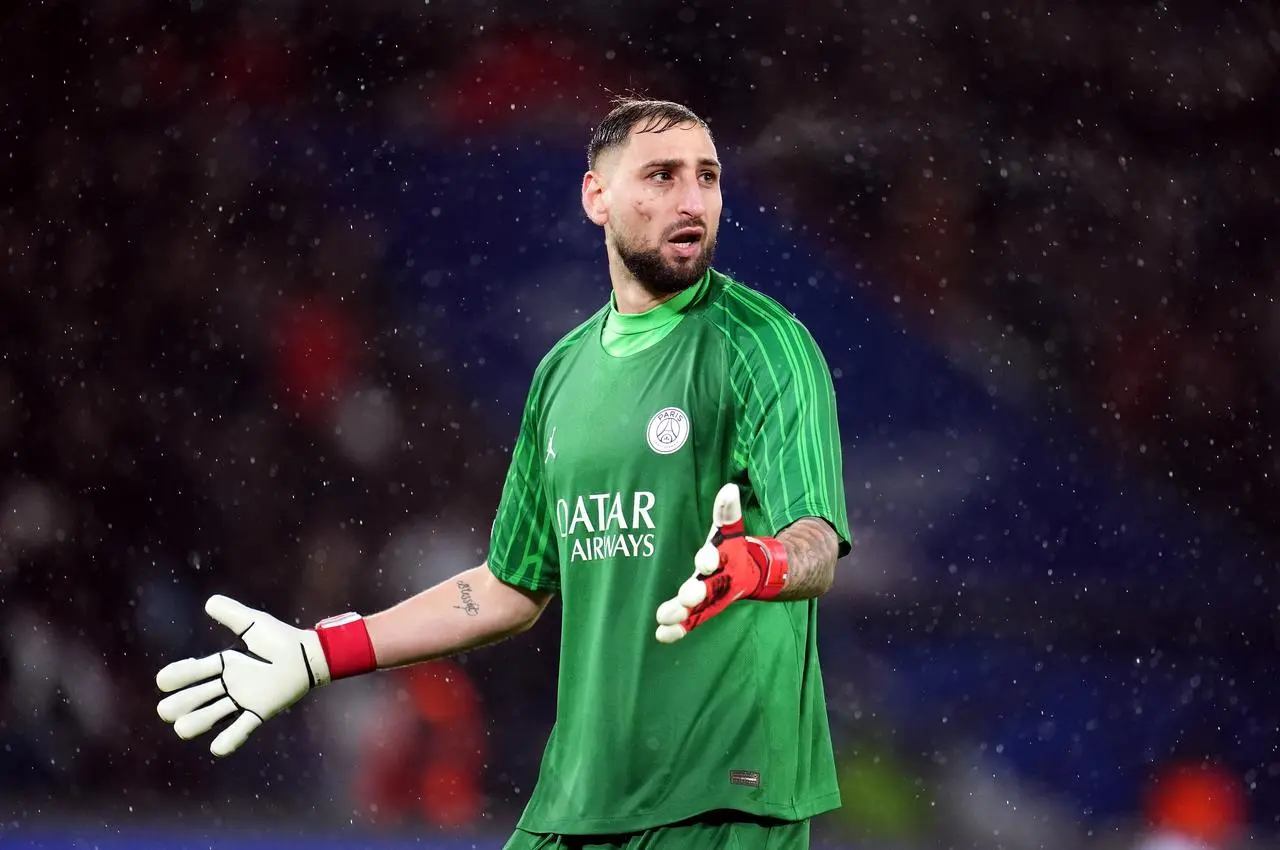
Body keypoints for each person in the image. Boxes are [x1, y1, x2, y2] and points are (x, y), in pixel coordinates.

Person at [155, 97, 851, 849]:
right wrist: (322, 653)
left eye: (707, 177)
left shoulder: (765, 345)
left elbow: (814, 538)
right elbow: (508, 588)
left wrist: (760, 563)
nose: (692, 199)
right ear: (598, 197)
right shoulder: (562, 374)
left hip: (724, 798)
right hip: (579, 798)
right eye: (661, 175)